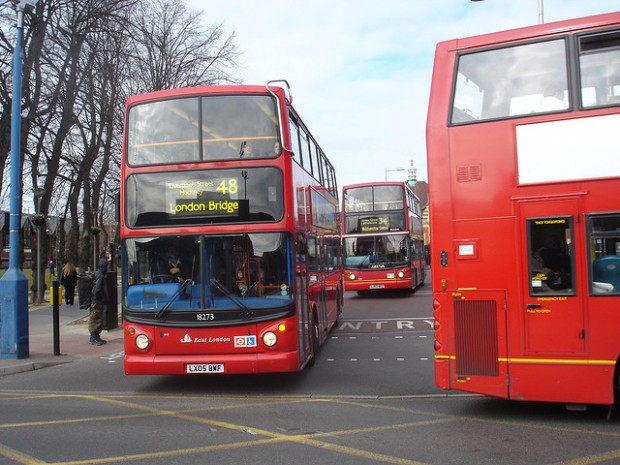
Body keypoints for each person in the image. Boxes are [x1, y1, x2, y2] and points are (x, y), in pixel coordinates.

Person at [89, 256, 108, 346]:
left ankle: (96, 336)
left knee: (97, 318)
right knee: (96, 319)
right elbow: (98, 289)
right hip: (97, 301)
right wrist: (102, 298)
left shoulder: (97, 273)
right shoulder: (100, 276)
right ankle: (93, 337)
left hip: (95, 300)